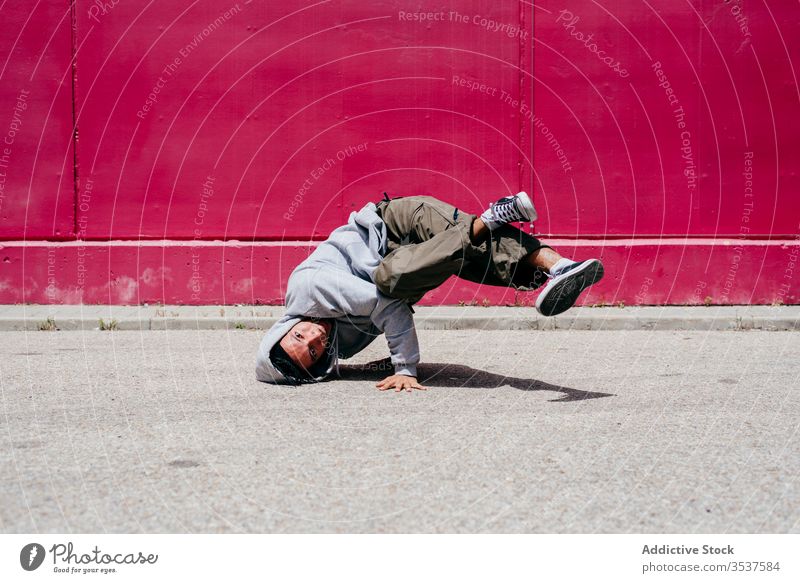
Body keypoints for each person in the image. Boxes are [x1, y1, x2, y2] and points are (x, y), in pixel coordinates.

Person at [256, 192, 604, 391]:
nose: (316, 337)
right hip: (409, 259)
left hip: (398, 226)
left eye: (300, 335)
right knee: (475, 252)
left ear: (286, 327)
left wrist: (404, 368)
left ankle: (492, 220)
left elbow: (388, 305)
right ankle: (559, 268)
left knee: (392, 280)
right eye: (314, 351)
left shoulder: (311, 290)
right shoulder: (334, 346)